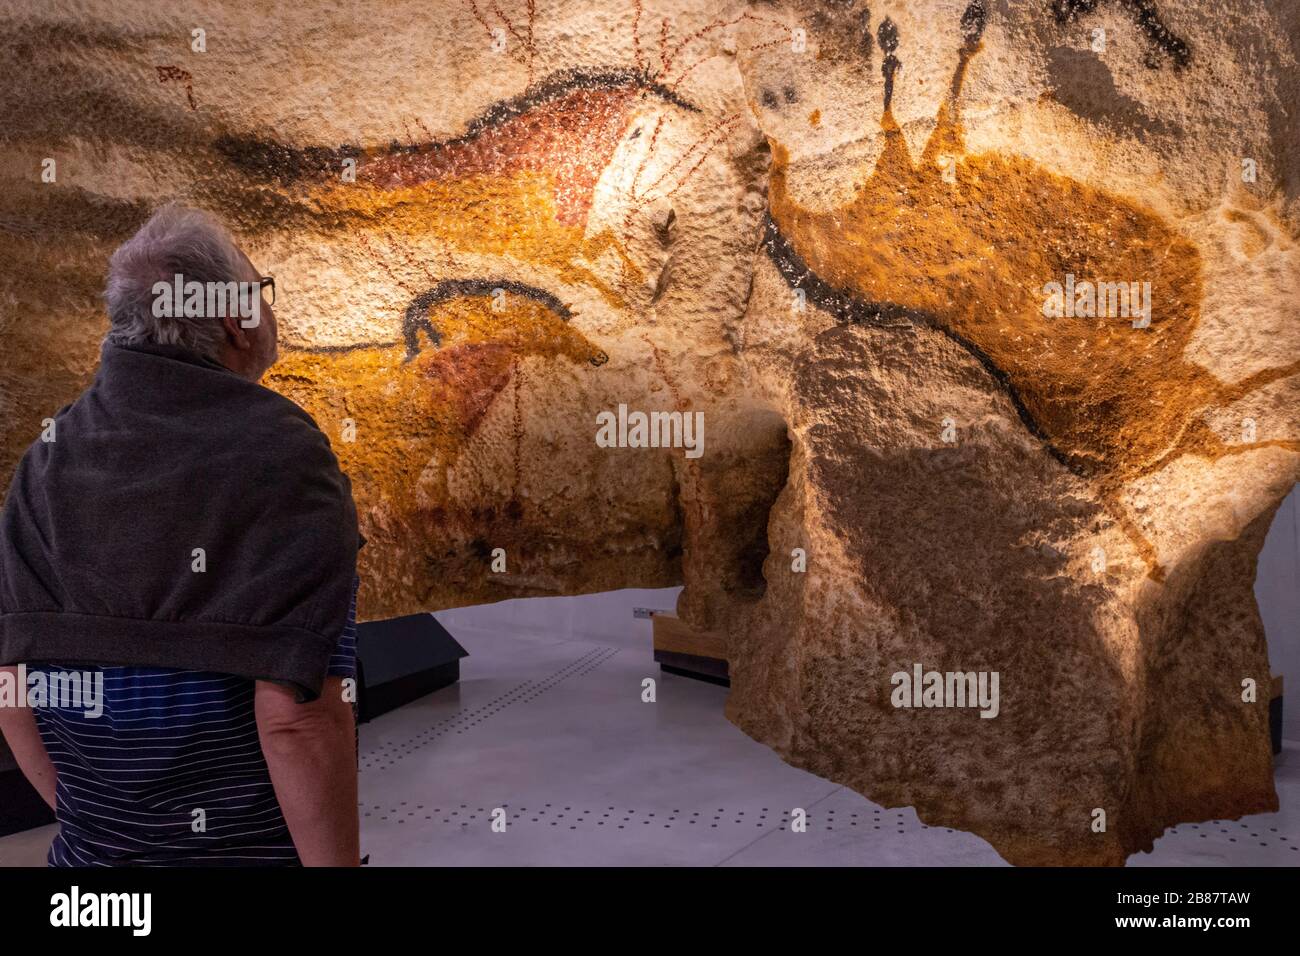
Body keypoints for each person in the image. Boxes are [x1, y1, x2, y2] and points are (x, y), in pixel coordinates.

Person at [0, 204, 361, 866]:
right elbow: (295, 719)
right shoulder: (282, 454)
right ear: (233, 319)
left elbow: (11, 694)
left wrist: (105, 836)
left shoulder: (45, 461)